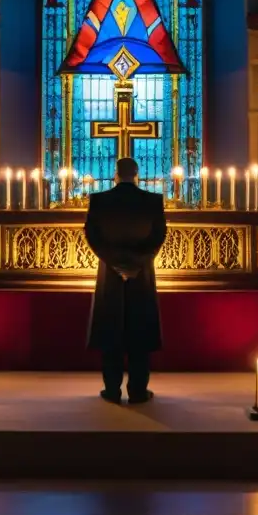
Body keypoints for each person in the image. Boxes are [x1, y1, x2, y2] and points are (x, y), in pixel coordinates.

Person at [84, 157, 167, 404]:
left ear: (115, 174)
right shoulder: (153, 201)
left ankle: (111, 390)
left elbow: (92, 235)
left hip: (110, 274)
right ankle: (139, 391)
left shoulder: (99, 200)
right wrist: (137, 263)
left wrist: (115, 263)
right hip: (141, 275)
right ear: (137, 174)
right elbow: (159, 235)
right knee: (139, 330)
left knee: (112, 330)